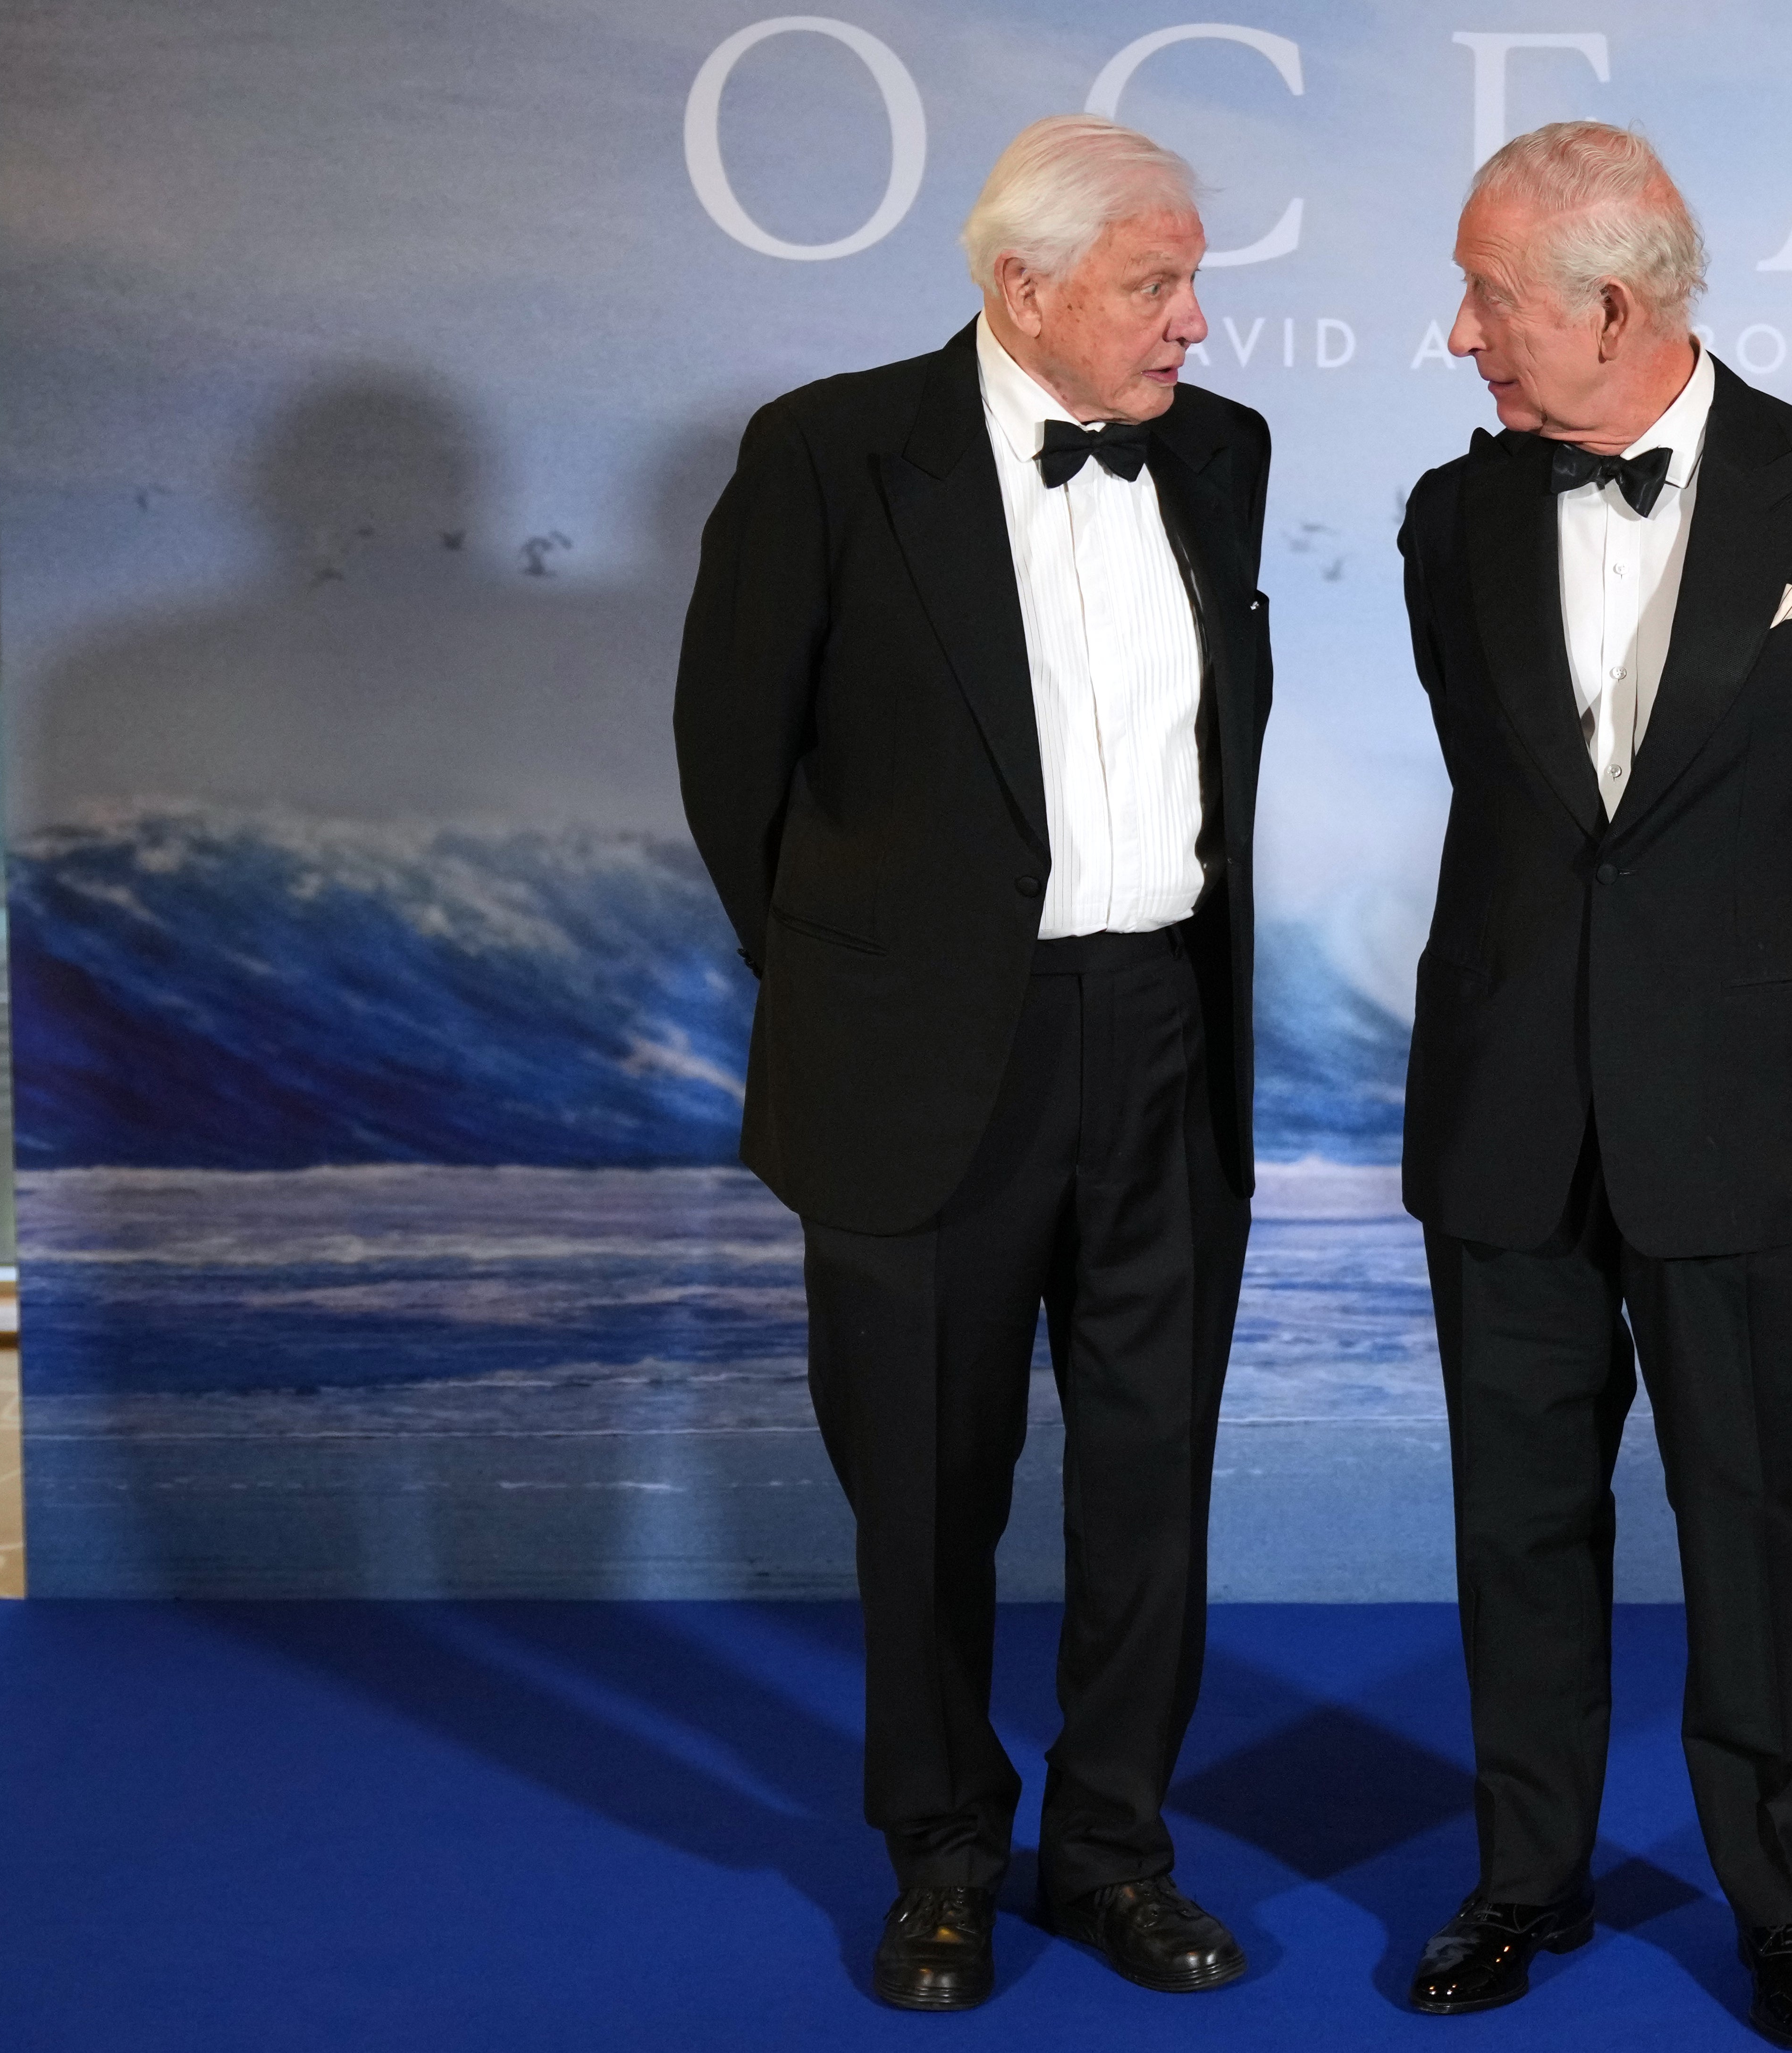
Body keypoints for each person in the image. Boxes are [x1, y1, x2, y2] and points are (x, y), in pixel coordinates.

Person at [673, 114, 1271, 2012]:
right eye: (1152, 282)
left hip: (1162, 1031)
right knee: (925, 1486)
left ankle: (1112, 1849)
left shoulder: (1223, 456)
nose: (1192, 319)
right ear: (1020, 286)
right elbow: (731, 761)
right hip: (926, 1049)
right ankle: (939, 1854)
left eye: (1189, 277)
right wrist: (867, 986)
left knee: (1149, 1475)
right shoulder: (830, 452)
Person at [1394, 122, 1792, 2049]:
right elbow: (1523, 811)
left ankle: (1781, 1904)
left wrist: (1727, 980)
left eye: (1485, 294)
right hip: (1503, 1107)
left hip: (1742, 1108)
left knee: (1749, 1521)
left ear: (1608, 305)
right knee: (1517, 1522)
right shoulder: (1443, 518)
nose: (1458, 332)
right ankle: (1522, 1872)